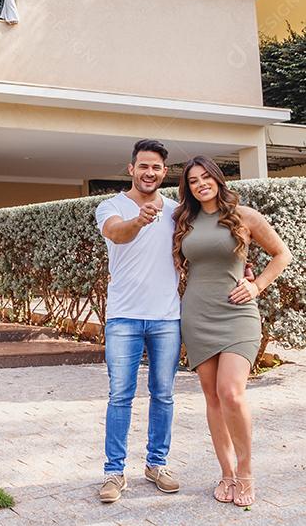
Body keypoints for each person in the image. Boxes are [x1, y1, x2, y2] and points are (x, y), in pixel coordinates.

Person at [174, 155, 290, 507]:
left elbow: (281, 254)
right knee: (211, 396)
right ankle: (226, 473)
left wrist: (257, 287)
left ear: (218, 178)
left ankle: (246, 472)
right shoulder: (184, 220)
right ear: (189, 188)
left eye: (206, 177)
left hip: (238, 314)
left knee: (231, 393)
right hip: (196, 314)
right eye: (193, 181)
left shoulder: (244, 216)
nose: (201, 184)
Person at [94, 139, 182, 504]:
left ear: (164, 172)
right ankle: (114, 472)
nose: (149, 172)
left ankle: (156, 464)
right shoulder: (110, 206)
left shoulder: (178, 211)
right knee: (120, 396)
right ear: (131, 169)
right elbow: (116, 233)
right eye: (143, 166)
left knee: (164, 394)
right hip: (124, 318)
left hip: (167, 317)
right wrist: (139, 220)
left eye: (156, 167)